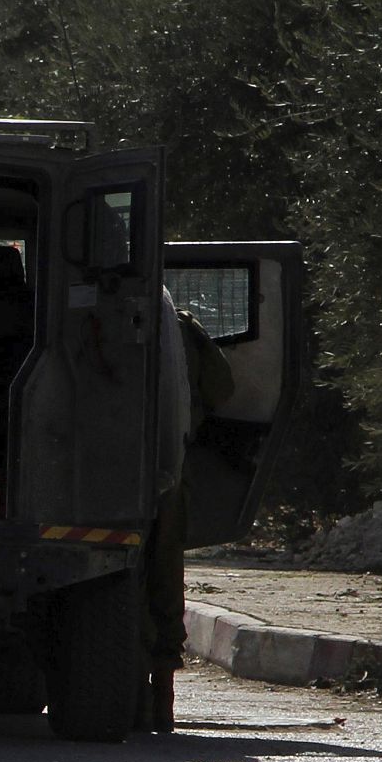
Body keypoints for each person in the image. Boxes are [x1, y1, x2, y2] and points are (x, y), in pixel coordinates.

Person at [144, 291, 237, 733]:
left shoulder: (64, 310)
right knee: (163, 574)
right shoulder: (176, 324)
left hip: (85, 472)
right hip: (167, 467)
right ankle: (161, 693)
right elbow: (221, 388)